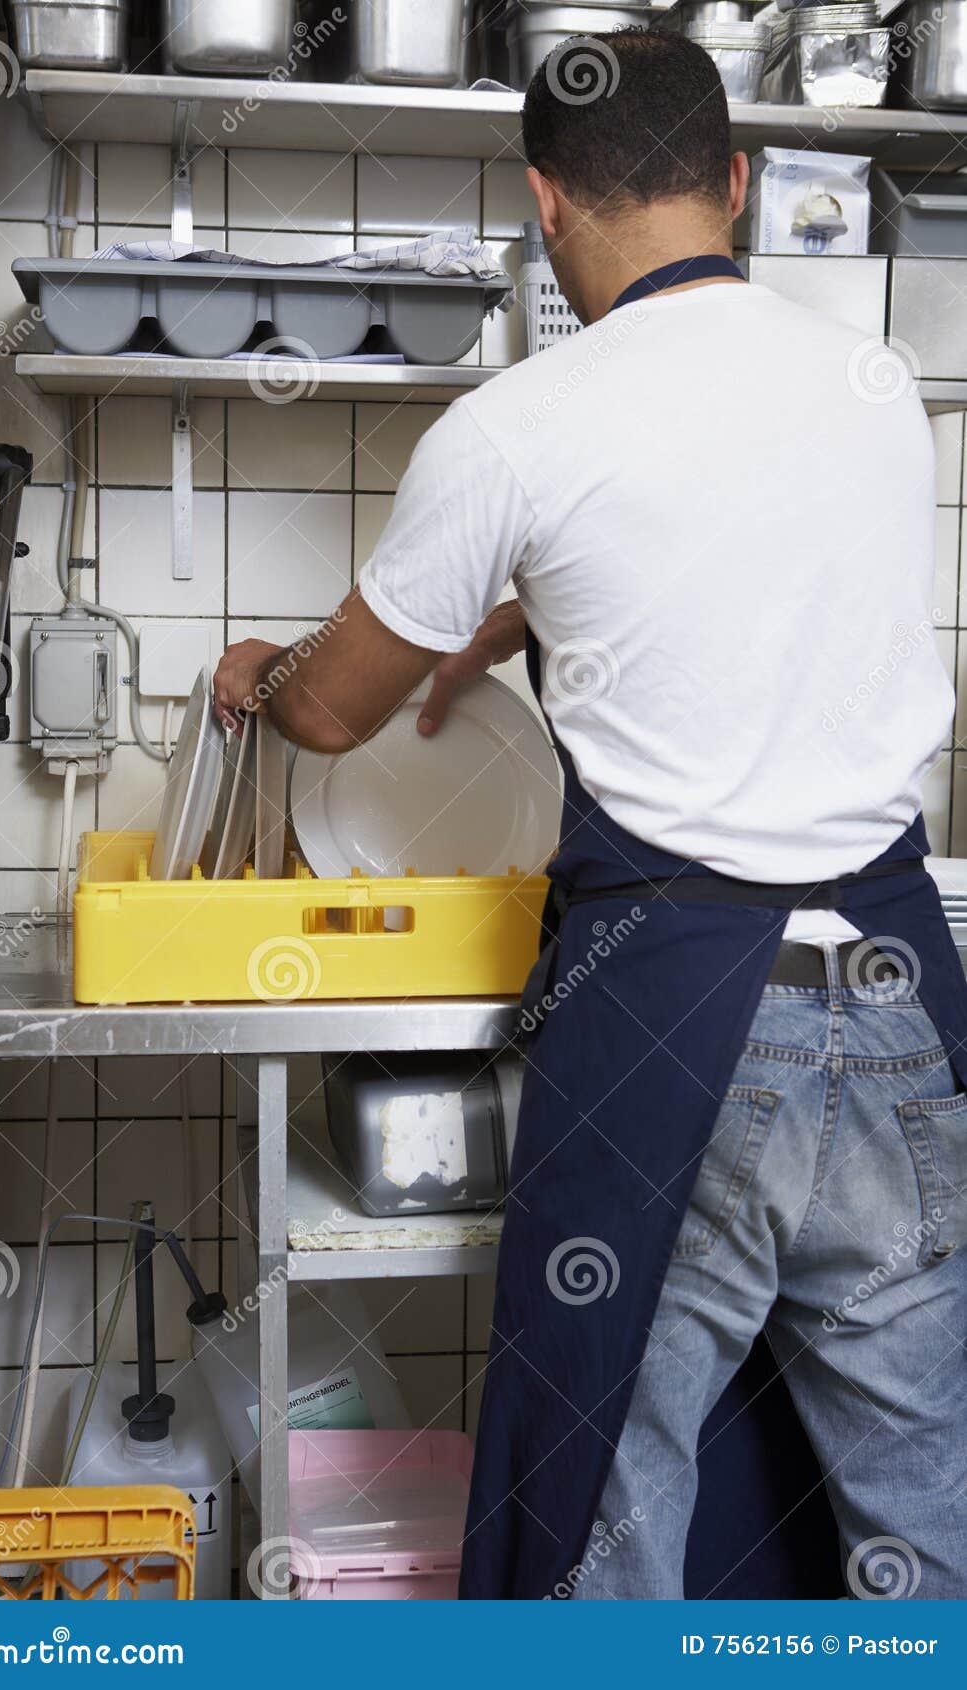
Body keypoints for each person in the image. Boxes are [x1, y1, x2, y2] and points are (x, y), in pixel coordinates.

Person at [214, 30, 967, 1601]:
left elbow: (336, 710)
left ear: (546, 205)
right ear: (736, 182)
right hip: (901, 1001)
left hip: (681, 1030)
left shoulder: (519, 425)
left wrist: (262, 671)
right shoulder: (878, 388)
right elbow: (741, 579)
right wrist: (531, 612)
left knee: (609, 1515)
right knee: (926, 1512)